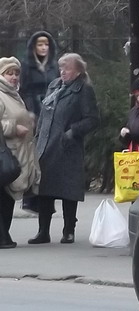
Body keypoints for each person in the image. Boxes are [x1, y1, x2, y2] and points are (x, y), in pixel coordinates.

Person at [31, 52, 99, 244]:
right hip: (46, 145)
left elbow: (93, 119)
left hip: (67, 147)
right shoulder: (54, 86)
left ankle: (69, 230)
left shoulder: (83, 89)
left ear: (78, 71)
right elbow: (44, 114)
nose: (63, 72)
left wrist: (72, 132)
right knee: (44, 190)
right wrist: (37, 138)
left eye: (67, 68)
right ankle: (43, 231)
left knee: (68, 191)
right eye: (61, 68)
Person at [0, 58, 40, 249]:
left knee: (7, 198)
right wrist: (14, 128)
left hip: (17, 153)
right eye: (10, 73)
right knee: (4, 197)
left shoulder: (14, 95)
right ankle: (2, 236)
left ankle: (4, 235)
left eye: (16, 73)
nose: (14, 77)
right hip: (5, 155)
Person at [19, 30, 59, 119]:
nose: (44, 48)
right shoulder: (26, 65)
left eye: (46, 45)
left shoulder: (54, 65)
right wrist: (30, 111)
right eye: (40, 45)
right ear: (34, 47)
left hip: (53, 109)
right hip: (35, 111)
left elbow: (59, 87)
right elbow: (24, 91)